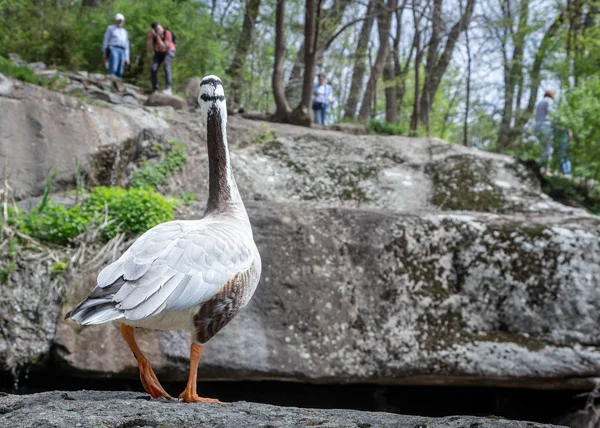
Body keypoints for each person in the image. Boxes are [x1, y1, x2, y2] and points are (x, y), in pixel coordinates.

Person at [147, 22, 176, 95]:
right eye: (156, 29)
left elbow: (164, 47)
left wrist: (157, 36)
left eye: (159, 28)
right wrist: (150, 38)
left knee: (166, 64)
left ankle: (168, 88)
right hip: (158, 53)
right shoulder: (153, 36)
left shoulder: (167, 33)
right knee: (153, 68)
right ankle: (155, 89)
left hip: (169, 51)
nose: (158, 30)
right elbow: (149, 50)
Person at [102, 13, 130, 79]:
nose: (120, 22)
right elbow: (106, 40)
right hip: (113, 48)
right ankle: (110, 80)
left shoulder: (125, 32)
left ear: (123, 21)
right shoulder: (110, 28)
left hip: (122, 50)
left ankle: (118, 82)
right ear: (115, 20)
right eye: (118, 20)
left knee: (120, 69)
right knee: (114, 66)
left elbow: (127, 45)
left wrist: (127, 57)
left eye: (121, 20)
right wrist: (105, 52)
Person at [534, 89, 555, 173]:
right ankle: (544, 168)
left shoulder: (540, 102)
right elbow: (552, 113)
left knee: (543, 148)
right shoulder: (549, 101)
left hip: (537, 126)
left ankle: (541, 166)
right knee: (548, 148)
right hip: (546, 125)